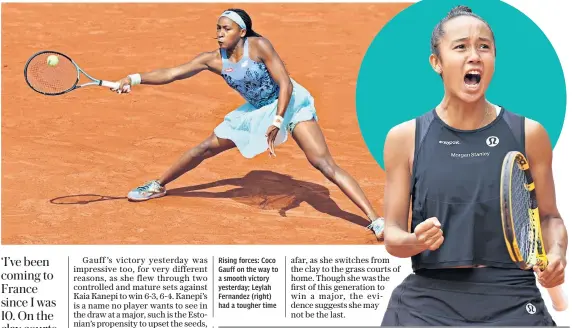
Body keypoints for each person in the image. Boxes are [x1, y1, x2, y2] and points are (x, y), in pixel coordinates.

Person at [111, 8, 385, 239]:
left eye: (226, 28)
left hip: (290, 103)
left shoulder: (259, 46)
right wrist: (133, 78)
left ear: (242, 32)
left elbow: (285, 83)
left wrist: (278, 120)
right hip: (258, 112)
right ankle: (157, 185)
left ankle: (375, 219)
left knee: (323, 163)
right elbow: (172, 73)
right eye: (218, 28)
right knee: (206, 147)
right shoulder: (212, 60)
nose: (219, 33)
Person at [381, 5, 567, 326]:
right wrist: (415, 241)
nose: (475, 55)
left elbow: (549, 217)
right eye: (460, 47)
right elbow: (393, 234)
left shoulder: (529, 134)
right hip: (428, 300)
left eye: (484, 46)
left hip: (512, 297)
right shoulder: (404, 138)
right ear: (436, 63)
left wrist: (557, 255)